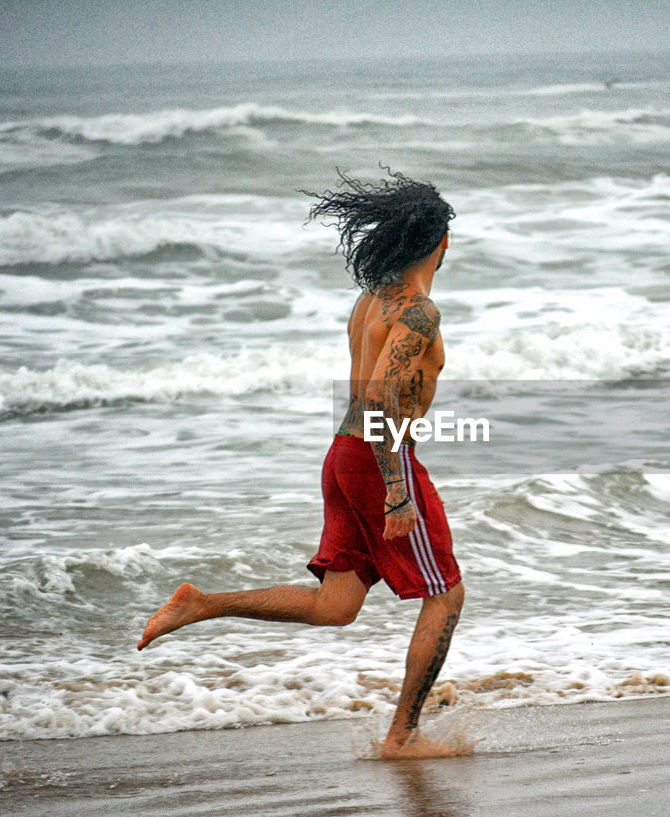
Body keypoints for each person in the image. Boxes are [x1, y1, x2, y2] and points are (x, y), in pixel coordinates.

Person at [138, 169, 466, 759]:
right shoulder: (418, 312)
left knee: (334, 607)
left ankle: (203, 604)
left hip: (343, 456)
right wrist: (396, 489)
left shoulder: (372, 299)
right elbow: (383, 398)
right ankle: (403, 735)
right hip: (378, 457)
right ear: (442, 243)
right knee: (445, 594)